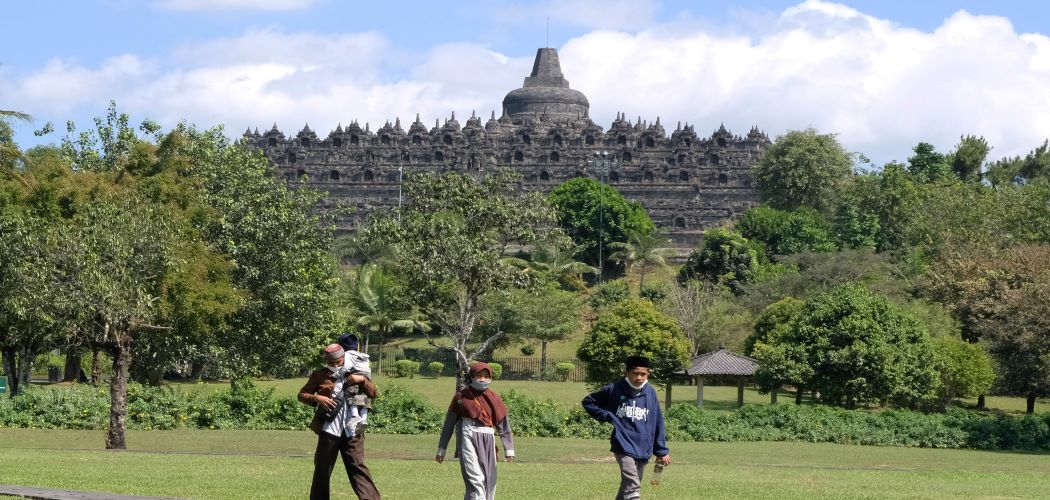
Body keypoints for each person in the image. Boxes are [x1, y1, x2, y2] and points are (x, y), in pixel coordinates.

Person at [298, 343, 382, 500]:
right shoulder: (319, 375)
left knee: (357, 467)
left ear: (344, 358)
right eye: (331, 363)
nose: (335, 366)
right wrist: (317, 398)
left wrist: (362, 380)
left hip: (353, 430)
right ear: (326, 361)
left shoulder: (356, 372)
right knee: (322, 469)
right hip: (329, 430)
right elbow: (302, 395)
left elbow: (374, 393)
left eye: (339, 362)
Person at [582, 355, 670, 500]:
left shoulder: (651, 392)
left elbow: (657, 421)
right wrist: (607, 416)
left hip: (644, 445)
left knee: (627, 488)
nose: (639, 378)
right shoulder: (614, 389)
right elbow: (588, 402)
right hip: (622, 443)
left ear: (648, 374)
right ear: (626, 373)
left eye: (643, 374)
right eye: (635, 373)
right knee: (633, 485)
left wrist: (661, 451)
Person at [435, 362, 515, 500]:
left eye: (486, 376)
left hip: (488, 438)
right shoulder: (461, 397)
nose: (482, 379)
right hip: (467, 435)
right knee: (475, 477)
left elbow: (503, 425)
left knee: (489, 479)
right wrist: (442, 449)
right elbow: (449, 424)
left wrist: (509, 449)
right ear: (471, 376)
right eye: (479, 376)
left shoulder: (495, 398)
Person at [336, 333, 372, 435]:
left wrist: (338, 374)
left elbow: (346, 367)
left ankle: (355, 416)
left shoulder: (348, 354)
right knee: (365, 396)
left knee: (351, 393)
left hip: (356, 374)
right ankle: (364, 419)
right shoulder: (362, 355)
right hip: (367, 376)